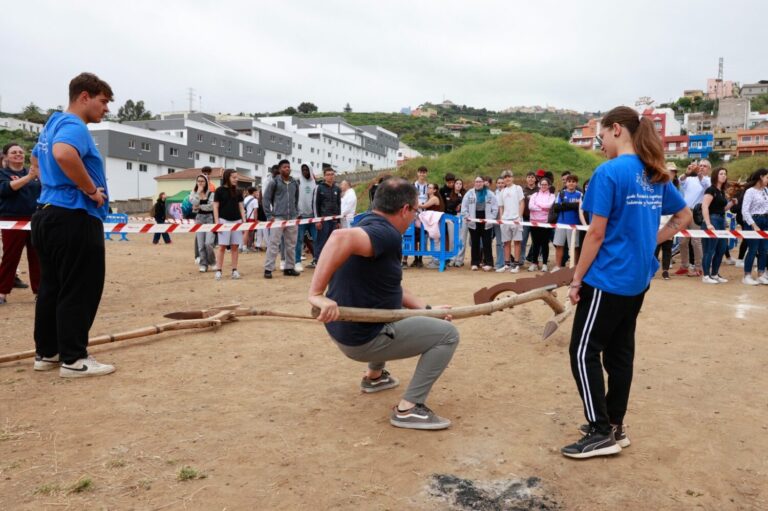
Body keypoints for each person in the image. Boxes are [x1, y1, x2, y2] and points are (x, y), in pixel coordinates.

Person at [563, 106, 689, 459]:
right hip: (637, 279)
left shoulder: (609, 173)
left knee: (583, 351)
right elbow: (683, 216)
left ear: (616, 129)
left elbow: (596, 233)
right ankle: (615, 425)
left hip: (608, 279)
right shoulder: (654, 172)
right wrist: (653, 241)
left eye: (601, 136)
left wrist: (576, 279)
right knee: (619, 353)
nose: (599, 144)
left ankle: (601, 431)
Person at [308, 177, 459, 430]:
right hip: (363, 338)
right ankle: (409, 409)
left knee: (392, 309)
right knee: (448, 335)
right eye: (415, 211)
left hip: (346, 331)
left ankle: (374, 378)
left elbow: (391, 289)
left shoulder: (369, 222)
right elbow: (338, 237)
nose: (415, 218)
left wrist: (428, 310)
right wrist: (316, 293)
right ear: (404, 210)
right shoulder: (386, 234)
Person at [30, 72, 115, 377]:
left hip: (46, 213)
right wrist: (90, 189)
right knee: (80, 287)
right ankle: (74, 359)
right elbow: (64, 154)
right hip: (73, 216)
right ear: (84, 97)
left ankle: (48, 353)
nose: (105, 108)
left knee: (52, 286)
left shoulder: (51, 125)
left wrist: (54, 184)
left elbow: (36, 163)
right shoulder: (74, 126)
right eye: (103, 101)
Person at [0, 143, 41, 305]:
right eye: (13, 152)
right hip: (12, 220)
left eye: (20, 152)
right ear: (6, 156)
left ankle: (40, 291)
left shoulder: (33, 172)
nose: (18, 154)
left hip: (34, 219)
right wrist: (29, 178)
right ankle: (2, 292)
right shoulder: (3, 173)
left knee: (37, 256)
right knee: (11, 256)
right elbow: (6, 189)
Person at [263, 159, 300, 279]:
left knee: (291, 245)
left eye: (288, 167)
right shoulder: (274, 182)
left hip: (292, 219)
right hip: (278, 218)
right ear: (279, 169)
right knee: (273, 244)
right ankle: (268, 269)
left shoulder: (294, 182)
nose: (287, 169)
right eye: (284, 167)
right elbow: (266, 199)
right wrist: (269, 215)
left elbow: (296, 198)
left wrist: (296, 212)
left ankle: (289, 268)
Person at [675, 159, 711, 276]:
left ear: (709, 169)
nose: (701, 167)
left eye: (704, 166)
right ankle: (684, 265)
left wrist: (699, 175)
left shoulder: (709, 181)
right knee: (682, 241)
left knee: (696, 241)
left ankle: (698, 267)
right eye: (700, 165)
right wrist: (687, 172)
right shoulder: (690, 179)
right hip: (685, 212)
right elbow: (680, 180)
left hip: (697, 212)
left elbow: (705, 185)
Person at [700, 167, 735, 284]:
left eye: (725, 174)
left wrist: (732, 203)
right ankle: (706, 275)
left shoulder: (721, 192)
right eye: (721, 174)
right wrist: (708, 223)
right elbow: (704, 206)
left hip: (721, 220)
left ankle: (714, 274)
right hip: (712, 220)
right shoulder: (711, 190)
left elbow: (722, 209)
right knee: (709, 250)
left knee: (721, 249)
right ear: (715, 175)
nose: (724, 176)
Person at [213, 169, 246, 280]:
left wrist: (244, 222)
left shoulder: (238, 191)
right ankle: (218, 271)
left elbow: (241, 207)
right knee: (222, 247)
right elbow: (215, 207)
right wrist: (217, 222)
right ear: (227, 177)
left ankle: (234, 270)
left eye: (237, 177)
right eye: (234, 177)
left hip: (237, 221)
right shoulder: (219, 190)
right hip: (223, 221)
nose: (236, 179)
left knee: (235, 247)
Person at [461, 176, 498, 271]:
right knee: (475, 242)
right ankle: (474, 263)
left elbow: (495, 207)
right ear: (474, 183)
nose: (478, 183)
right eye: (477, 182)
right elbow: (464, 207)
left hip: (486, 220)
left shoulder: (490, 194)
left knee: (487, 243)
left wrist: (492, 218)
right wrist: (467, 216)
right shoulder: (469, 193)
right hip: (473, 220)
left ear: (483, 183)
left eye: (480, 182)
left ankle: (489, 263)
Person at [740, 168, 768, 285]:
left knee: (764, 249)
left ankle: (761, 274)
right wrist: (753, 225)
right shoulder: (750, 191)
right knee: (752, 249)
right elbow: (745, 210)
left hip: (765, 220)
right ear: (761, 177)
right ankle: (747, 275)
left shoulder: (766, 190)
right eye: (767, 177)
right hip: (753, 220)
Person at [551, 174, 583, 271]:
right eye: (569, 181)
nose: (571, 183)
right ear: (566, 183)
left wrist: (565, 205)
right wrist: (573, 205)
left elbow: (581, 207)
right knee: (559, 245)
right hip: (561, 223)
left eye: (573, 181)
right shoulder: (561, 193)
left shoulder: (580, 194)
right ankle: (558, 266)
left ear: (576, 183)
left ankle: (575, 266)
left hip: (574, 224)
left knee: (575, 247)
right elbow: (556, 208)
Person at [497, 170, 525, 273]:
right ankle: (507, 264)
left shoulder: (518, 188)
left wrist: (519, 217)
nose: (507, 179)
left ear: (512, 178)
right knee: (506, 243)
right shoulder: (502, 191)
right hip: (505, 220)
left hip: (516, 219)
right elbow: (501, 207)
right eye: (505, 177)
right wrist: (501, 219)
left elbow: (522, 202)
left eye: (508, 177)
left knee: (517, 242)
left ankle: (516, 265)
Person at [313, 165, 342, 262]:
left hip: (334, 221)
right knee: (321, 241)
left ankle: (328, 260)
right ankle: (317, 260)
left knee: (332, 241)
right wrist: (317, 221)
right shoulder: (319, 188)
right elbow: (315, 204)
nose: (331, 176)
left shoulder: (337, 189)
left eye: (332, 174)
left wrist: (338, 221)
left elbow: (339, 205)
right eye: (328, 174)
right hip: (323, 220)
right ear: (324, 176)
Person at [526, 177, 555, 272]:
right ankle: (534, 263)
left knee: (545, 243)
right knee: (535, 243)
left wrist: (538, 205)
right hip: (534, 222)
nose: (543, 186)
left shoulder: (552, 196)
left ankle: (545, 264)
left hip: (545, 223)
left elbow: (549, 206)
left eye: (545, 184)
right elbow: (531, 206)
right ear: (539, 185)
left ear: (549, 186)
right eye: (542, 184)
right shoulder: (535, 194)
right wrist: (542, 208)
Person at [188, 174, 216, 272]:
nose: (200, 183)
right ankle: (203, 264)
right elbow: (193, 203)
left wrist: (200, 207)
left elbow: (211, 206)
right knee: (201, 245)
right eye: (198, 181)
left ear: (206, 182)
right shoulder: (193, 192)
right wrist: (198, 194)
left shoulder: (211, 193)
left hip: (209, 219)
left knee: (208, 243)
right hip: (199, 219)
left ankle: (212, 262)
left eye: (202, 181)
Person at [406, 166, 429, 268]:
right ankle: (415, 259)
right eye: (420, 172)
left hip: (424, 216)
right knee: (414, 237)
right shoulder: (412, 186)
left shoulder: (429, 187)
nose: (422, 174)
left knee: (423, 237)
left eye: (424, 172)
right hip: (413, 216)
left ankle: (420, 260)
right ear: (417, 173)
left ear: (426, 174)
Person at [296, 164, 317, 270]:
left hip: (313, 217)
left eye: (307, 169)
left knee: (316, 239)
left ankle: (317, 260)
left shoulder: (315, 182)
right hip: (301, 216)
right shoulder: (298, 182)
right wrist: (297, 213)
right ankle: (297, 262)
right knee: (299, 240)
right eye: (303, 170)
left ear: (310, 170)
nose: (305, 171)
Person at [521, 171, 538, 264]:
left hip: (536, 219)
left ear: (535, 179)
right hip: (525, 218)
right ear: (526, 179)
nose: (530, 179)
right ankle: (521, 259)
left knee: (535, 241)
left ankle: (533, 259)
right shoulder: (522, 190)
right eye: (528, 177)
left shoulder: (539, 190)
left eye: (532, 177)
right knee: (523, 239)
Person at [241, 186, 259, 252]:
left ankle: (244, 246)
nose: (257, 193)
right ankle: (249, 246)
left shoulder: (245, 199)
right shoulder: (255, 200)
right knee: (250, 233)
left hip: (245, 217)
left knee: (245, 232)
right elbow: (255, 211)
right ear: (253, 192)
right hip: (251, 218)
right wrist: (256, 220)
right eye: (256, 191)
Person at [493, 177, 506, 271]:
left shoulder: (507, 193)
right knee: (498, 243)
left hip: (505, 219)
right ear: (496, 184)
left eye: (502, 183)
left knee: (501, 242)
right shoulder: (494, 194)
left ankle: (500, 263)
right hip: (494, 220)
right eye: (499, 183)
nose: (500, 184)